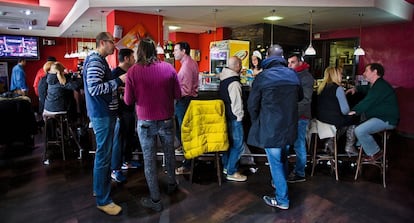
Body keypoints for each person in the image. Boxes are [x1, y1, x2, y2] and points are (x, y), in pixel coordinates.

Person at [124, 38, 181, 212]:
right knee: (169, 153)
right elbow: (178, 94)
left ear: (139, 51)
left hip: (145, 122)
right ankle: (172, 184)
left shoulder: (133, 72)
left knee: (149, 161)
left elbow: (128, 101)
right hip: (166, 119)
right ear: (155, 51)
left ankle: (155, 200)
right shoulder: (169, 68)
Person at [247, 44, 302, 210]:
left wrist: (257, 121)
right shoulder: (293, 74)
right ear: (282, 57)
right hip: (289, 124)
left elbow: (252, 104)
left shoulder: (263, 77)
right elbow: (300, 97)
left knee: (276, 162)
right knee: (284, 157)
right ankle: (279, 183)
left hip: (271, 126)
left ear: (267, 58)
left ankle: (282, 199)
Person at [83, 32, 126, 216]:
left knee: (103, 154)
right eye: (112, 43)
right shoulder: (95, 61)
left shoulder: (98, 60)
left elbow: (99, 85)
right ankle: (103, 199)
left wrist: (116, 86)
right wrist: (118, 81)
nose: (114, 47)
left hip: (102, 113)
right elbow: (94, 89)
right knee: (104, 156)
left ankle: (99, 189)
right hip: (102, 114)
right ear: (102, 42)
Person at [347, 63, 399, 162]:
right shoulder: (377, 85)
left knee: (359, 130)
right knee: (359, 128)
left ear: (375, 72)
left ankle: (375, 153)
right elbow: (367, 89)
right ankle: (360, 147)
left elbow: (368, 101)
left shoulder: (380, 86)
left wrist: (354, 111)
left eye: (366, 71)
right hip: (379, 117)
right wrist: (356, 88)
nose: (364, 73)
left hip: (386, 119)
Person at [42, 62, 83, 165]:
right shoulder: (60, 80)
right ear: (61, 71)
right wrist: (79, 77)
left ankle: (62, 135)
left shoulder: (49, 78)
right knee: (70, 108)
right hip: (58, 109)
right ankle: (70, 137)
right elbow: (75, 85)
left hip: (47, 110)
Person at [317, 67, 359, 156]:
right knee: (354, 118)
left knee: (344, 121)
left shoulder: (321, 87)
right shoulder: (338, 88)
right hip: (333, 119)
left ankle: (330, 141)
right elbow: (345, 110)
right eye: (340, 74)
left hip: (321, 119)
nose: (342, 75)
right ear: (335, 75)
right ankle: (349, 146)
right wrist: (350, 112)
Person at [111, 48, 138, 183]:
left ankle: (126, 161)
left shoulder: (131, 72)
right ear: (126, 58)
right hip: (120, 111)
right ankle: (116, 169)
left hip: (130, 108)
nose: (134, 60)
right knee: (120, 139)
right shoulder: (115, 73)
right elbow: (110, 89)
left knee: (128, 136)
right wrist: (121, 89)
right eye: (133, 57)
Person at [286, 53, 314, 183]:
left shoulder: (306, 77)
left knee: (299, 144)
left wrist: (293, 114)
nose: (289, 65)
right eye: (288, 62)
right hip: (291, 115)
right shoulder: (292, 75)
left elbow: (306, 99)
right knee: (290, 144)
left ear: (300, 63)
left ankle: (300, 173)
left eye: (292, 62)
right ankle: (289, 170)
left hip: (300, 116)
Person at [218, 56, 247, 182]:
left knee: (228, 143)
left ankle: (227, 166)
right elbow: (237, 103)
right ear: (236, 66)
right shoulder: (234, 83)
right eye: (240, 65)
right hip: (234, 117)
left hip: (226, 116)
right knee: (238, 144)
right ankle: (232, 171)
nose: (241, 68)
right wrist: (240, 117)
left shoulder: (224, 79)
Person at [172, 41, 199, 175]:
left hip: (184, 101)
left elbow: (186, 90)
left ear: (183, 51)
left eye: (176, 50)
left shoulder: (187, 65)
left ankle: (188, 165)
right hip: (186, 101)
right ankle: (187, 156)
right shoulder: (190, 63)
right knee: (183, 131)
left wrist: (172, 93)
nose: (174, 52)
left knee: (185, 133)